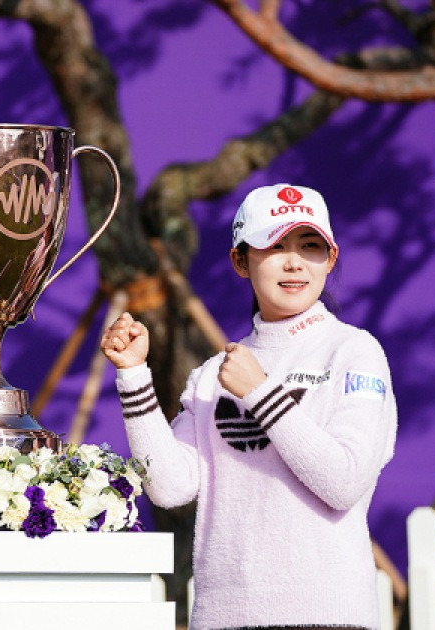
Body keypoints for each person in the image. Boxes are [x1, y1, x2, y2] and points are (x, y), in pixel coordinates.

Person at [102, 184, 396, 630]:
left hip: (330, 616)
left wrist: (259, 393)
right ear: (241, 261)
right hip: (224, 616)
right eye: (274, 246)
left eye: (310, 246)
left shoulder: (354, 351)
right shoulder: (212, 374)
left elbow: (344, 481)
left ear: (330, 259)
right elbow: (168, 486)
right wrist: (133, 375)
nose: (294, 262)